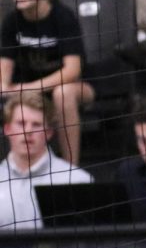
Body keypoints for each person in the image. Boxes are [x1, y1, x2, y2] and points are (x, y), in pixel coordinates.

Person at [0, 0, 94, 166]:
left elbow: (72, 70)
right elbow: (4, 73)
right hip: (30, 93)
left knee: (63, 93)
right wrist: (5, 87)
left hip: (76, 87)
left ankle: (71, 168)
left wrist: (28, 88)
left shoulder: (63, 17)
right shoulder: (10, 22)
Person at [0, 91, 93, 230]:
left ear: (49, 133)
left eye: (36, 124)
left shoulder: (77, 180)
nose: (28, 131)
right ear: (7, 129)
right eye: (21, 123)